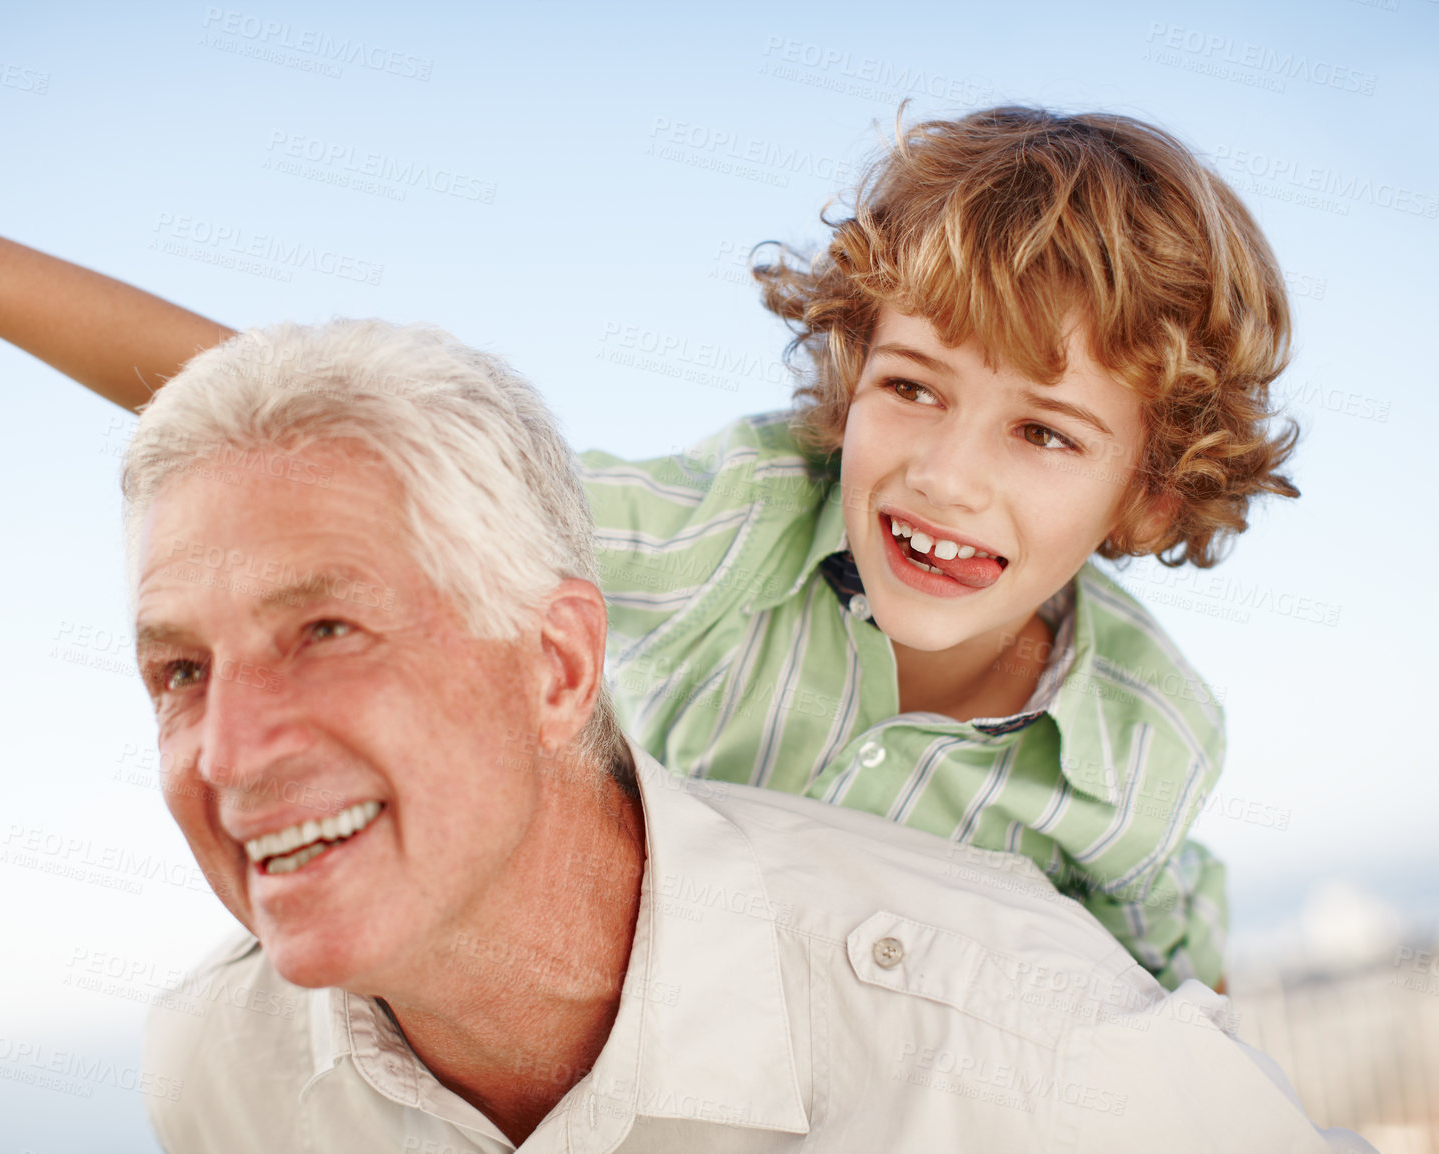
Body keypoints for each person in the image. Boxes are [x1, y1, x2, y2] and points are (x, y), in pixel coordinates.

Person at [0, 105, 1297, 990]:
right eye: (913, 388)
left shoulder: (1151, 741)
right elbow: (346, 430)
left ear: (1150, 495)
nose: (948, 476)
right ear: (849, 389)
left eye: (1042, 433)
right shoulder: (720, 535)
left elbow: (1161, 938)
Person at [119, 316, 1366, 1151]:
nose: (944, 475)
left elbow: (1161, 961)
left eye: (329, 628)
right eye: (178, 668)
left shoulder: (1060, 997)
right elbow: (339, 458)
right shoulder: (221, 1071)